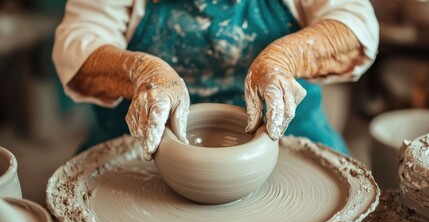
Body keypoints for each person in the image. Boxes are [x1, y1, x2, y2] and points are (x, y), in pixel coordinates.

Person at [53, 0, 378, 161]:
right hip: (139, 141)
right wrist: (141, 72)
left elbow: (355, 24)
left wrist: (285, 59)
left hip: (288, 132)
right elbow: (76, 45)